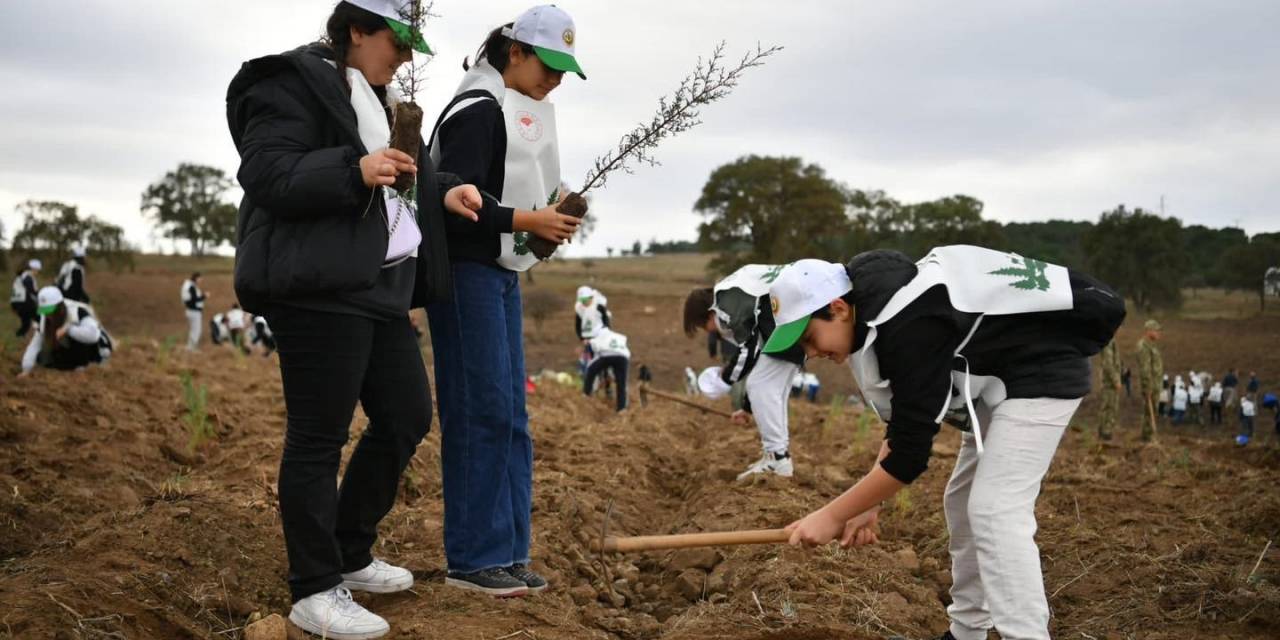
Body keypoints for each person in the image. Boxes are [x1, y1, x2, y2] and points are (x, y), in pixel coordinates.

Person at [226, 1, 495, 635]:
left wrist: (443, 187)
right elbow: (267, 173)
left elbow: (401, 176)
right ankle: (313, 589)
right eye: (395, 41)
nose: (405, 56)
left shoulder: (376, 97)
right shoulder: (289, 80)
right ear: (355, 30)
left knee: (405, 415)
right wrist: (354, 170)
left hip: (377, 286)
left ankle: (347, 553)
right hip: (316, 284)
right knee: (319, 437)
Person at [768, 248, 1124, 640]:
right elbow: (905, 427)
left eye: (808, 338)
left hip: (1042, 372)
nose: (812, 354)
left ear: (837, 308)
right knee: (961, 501)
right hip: (997, 380)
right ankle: (967, 632)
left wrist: (833, 515)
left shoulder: (908, 323)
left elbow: (909, 459)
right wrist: (867, 502)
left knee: (994, 509)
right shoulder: (873, 316)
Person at [425, 4, 586, 597]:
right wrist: (529, 220)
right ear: (514, 52)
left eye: (565, 70)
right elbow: (459, 206)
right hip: (467, 275)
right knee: (480, 411)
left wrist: (544, 222)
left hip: (499, 275)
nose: (556, 80)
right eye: (548, 65)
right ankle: (473, 559)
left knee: (513, 419)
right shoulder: (477, 113)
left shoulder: (521, 110)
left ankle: (509, 551)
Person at [683, 264, 807, 480]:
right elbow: (757, 358)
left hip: (789, 322)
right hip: (795, 319)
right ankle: (777, 455)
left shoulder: (726, 302)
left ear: (709, 315)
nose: (711, 333)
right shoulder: (736, 292)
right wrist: (748, 409)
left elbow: (749, 349)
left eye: (705, 328)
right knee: (770, 387)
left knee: (760, 383)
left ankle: (777, 459)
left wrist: (725, 378)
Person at [20, 286, 113, 375]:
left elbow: (94, 336)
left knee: (74, 338)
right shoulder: (44, 319)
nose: (48, 315)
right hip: (70, 349)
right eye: (45, 311)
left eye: (50, 311)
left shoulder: (77, 311)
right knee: (42, 358)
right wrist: (26, 369)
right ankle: (73, 366)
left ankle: (83, 366)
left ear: (60, 306)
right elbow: (35, 345)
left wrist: (68, 329)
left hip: (97, 349)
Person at [583, 327, 630, 412]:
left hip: (607, 355)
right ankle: (622, 408)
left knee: (591, 370)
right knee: (621, 383)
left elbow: (592, 355)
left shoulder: (596, 337)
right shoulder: (619, 336)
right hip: (623, 356)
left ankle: (586, 394)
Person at [1136, 320, 1164, 441]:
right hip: (1150, 386)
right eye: (1156, 330)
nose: (1159, 333)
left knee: (1152, 410)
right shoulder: (1143, 347)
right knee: (1149, 411)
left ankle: (1147, 436)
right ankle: (1148, 437)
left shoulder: (1151, 345)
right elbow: (1145, 369)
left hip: (1155, 385)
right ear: (1149, 331)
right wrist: (1147, 387)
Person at [1097, 339, 1121, 440]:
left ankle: (1105, 431)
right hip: (1109, 383)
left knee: (1109, 407)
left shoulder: (1111, 341)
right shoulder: (1108, 342)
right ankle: (1105, 432)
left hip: (1109, 381)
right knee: (1109, 407)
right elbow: (1108, 364)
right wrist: (1116, 380)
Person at [10, 259, 40, 337]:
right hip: (23, 302)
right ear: (33, 269)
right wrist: (39, 296)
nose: (38, 273)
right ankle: (19, 335)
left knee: (27, 322)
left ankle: (21, 335)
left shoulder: (22, 276)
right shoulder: (27, 276)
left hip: (17, 302)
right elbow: (32, 291)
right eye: (37, 270)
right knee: (36, 318)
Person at [181, 273, 207, 351]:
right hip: (194, 311)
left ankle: (190, 347)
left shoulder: (189, 286)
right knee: (196, 330)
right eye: (200, 278)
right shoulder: (192, 287)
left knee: (193, 330)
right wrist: (204, 296)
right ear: (196, 278)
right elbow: (194, 299)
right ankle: (192, 348)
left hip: (191, 311)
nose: (201, 280)